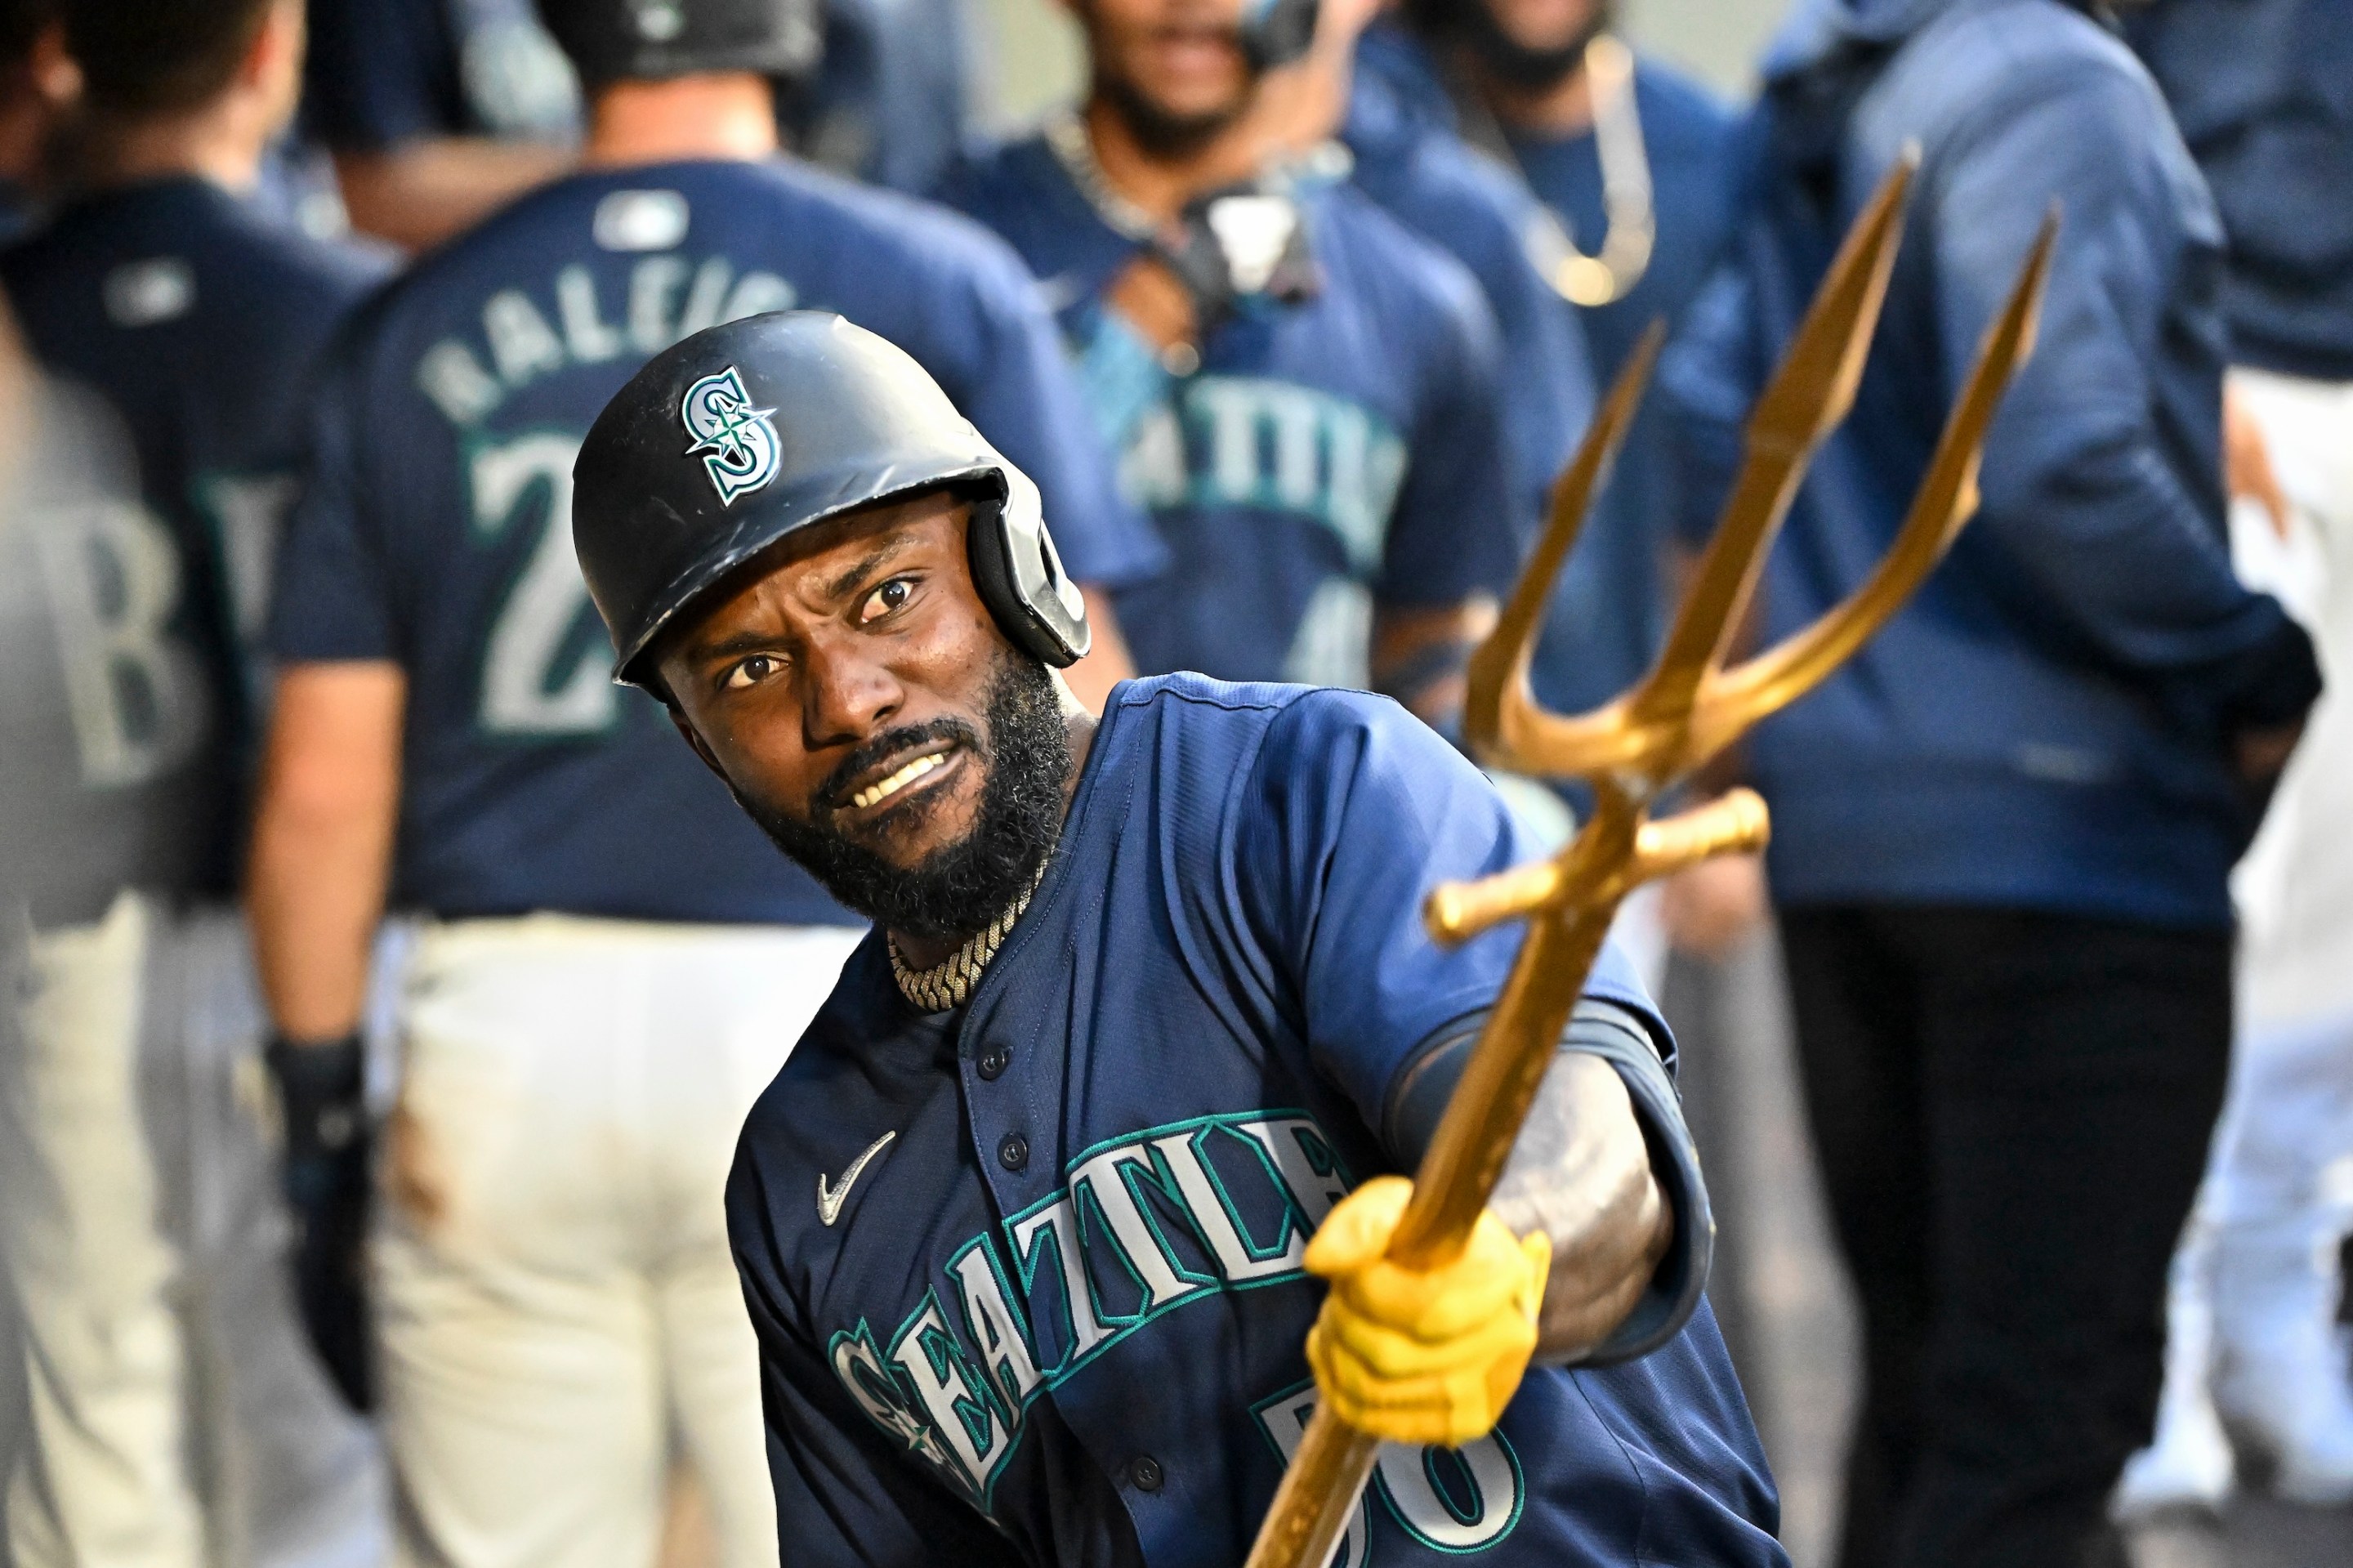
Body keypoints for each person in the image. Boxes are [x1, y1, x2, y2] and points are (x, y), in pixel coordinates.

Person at [566, 307, 1785, 1566]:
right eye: (751, 672)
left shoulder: (1306, 790)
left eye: (887, 593)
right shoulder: (799, 1173)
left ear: (1014, 571)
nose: (847, 697)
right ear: (704, 746)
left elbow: (1589, 1149)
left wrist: (1509, 1246)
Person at [247, 1, 1160, 1561]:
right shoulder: (927, 280)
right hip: (852, 1015)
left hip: (503, 1033)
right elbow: (1083, 694)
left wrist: (321, 1108)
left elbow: (326, 783)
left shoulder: (410, 313)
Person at [1659, 1, 2324, 1564]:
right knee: (2035, 1430)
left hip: (1853, 837)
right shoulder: (2054, 82)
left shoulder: (1832, 86)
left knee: (1929, 1410)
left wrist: (1766, 731)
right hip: (2071, 840)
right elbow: (2060, 451)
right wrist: (2253, 657)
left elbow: (1707, 421)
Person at [0, 1, 395, 1561]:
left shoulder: (20, 316)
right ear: (268, 52)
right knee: (318, 1426)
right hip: (322, 928)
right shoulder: (364, 314)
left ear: (58, 56)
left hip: (58, 938)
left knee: (92, 1426)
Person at [934, 0, 1524, 734]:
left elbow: (1436, 630)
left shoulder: (1422, 307)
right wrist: (1130, 332)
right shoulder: (938, 262)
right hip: (1036, 827)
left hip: (1312, 833)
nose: (1193, 6)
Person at [2115, 0, 2353, 1516]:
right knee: (2224, 866)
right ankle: (2167, 1321)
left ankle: (2275, 1295)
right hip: (2237, 365)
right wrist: (2160, 343)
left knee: (2339, 892)